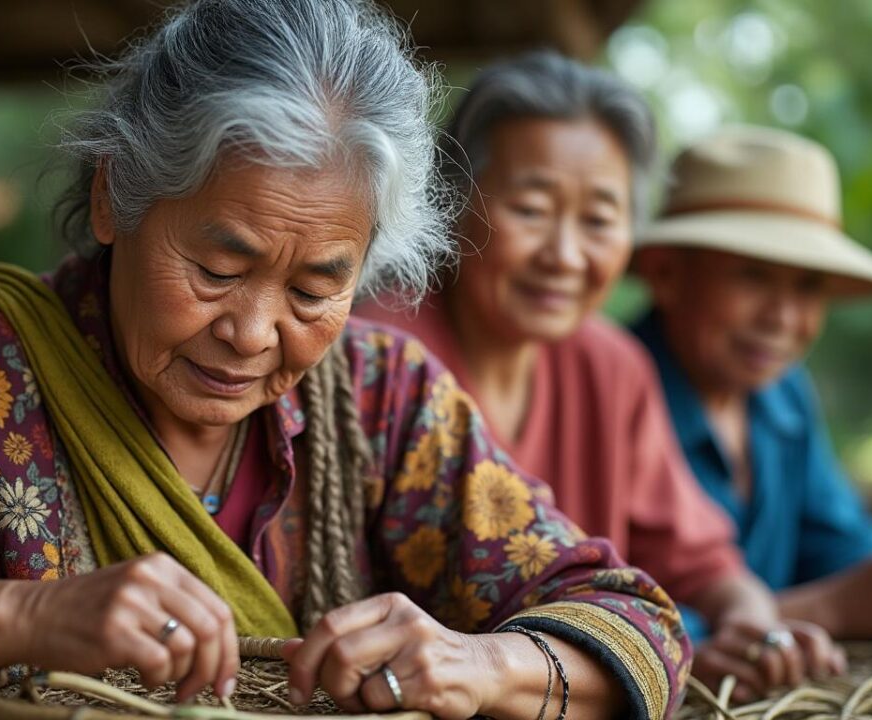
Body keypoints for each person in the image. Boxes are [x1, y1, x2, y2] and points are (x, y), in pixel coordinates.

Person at [0, 3, 690, 719]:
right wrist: (21, 617)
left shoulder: (385, 403)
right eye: (218, 267)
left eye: (312, 290)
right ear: (117, 194)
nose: (254, 333)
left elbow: (636, 623)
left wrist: (483, 663)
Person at [356, 52, 841, 702]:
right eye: (531, 209)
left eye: (599, 220)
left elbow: (703, 561)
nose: (564, 255)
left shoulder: (613, 367)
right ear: (454, 202)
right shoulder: (384, 360)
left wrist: (752, 626)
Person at [632, 124, 872, 647]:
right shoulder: (603, 389)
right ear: (667, 275)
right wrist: (817, 610)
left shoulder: (784, 397)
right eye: (753, 275)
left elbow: (839, 541)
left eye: (808, 286)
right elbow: (581, 610)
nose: (783, 318)